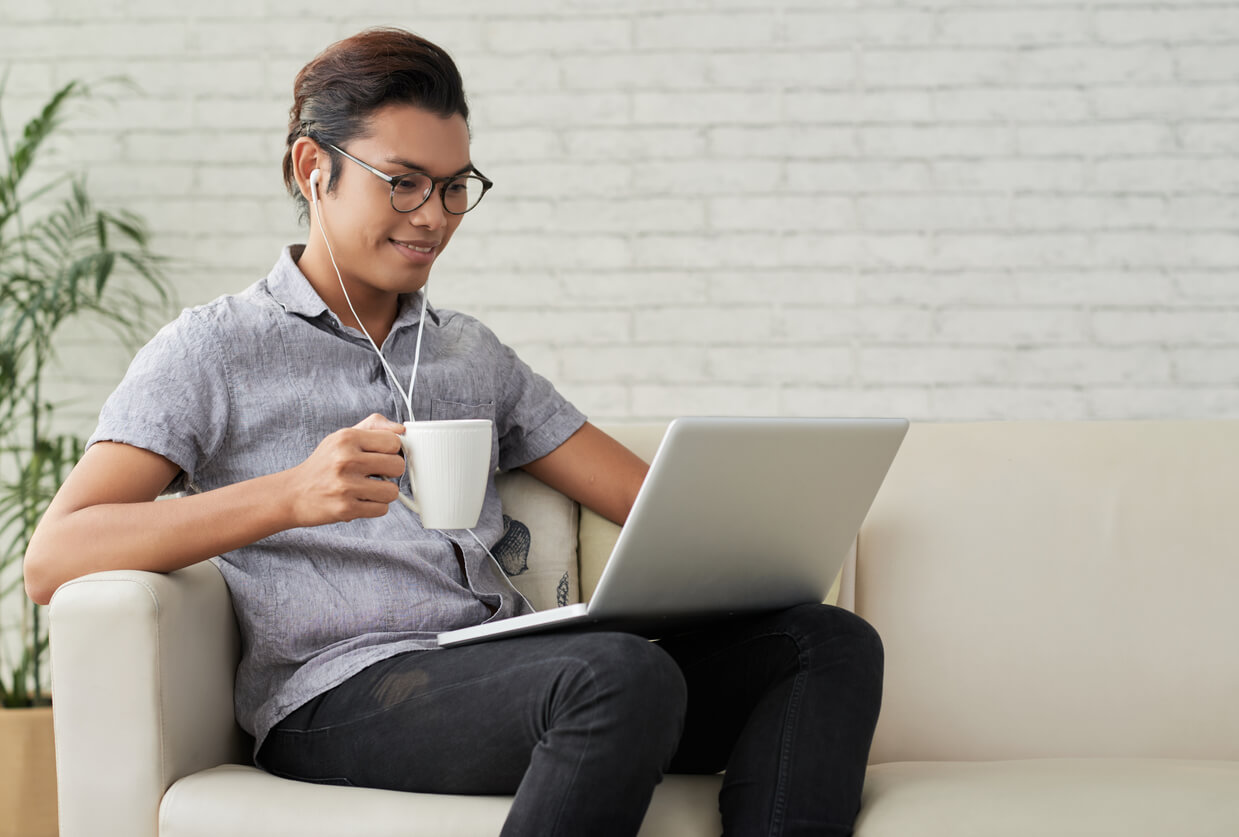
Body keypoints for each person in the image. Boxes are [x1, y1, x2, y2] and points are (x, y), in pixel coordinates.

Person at [25, 27, 884, 837]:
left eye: (454, 186)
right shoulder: (213, 349)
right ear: (312, 168)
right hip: (342, 694)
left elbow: (644, 499)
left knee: (824, 641)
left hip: (504, 670)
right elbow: (55, 555)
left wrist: (761, 524)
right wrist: (288, 494)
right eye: (402, 181)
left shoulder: (468, 352)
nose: (433, 215)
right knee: (617, 674)